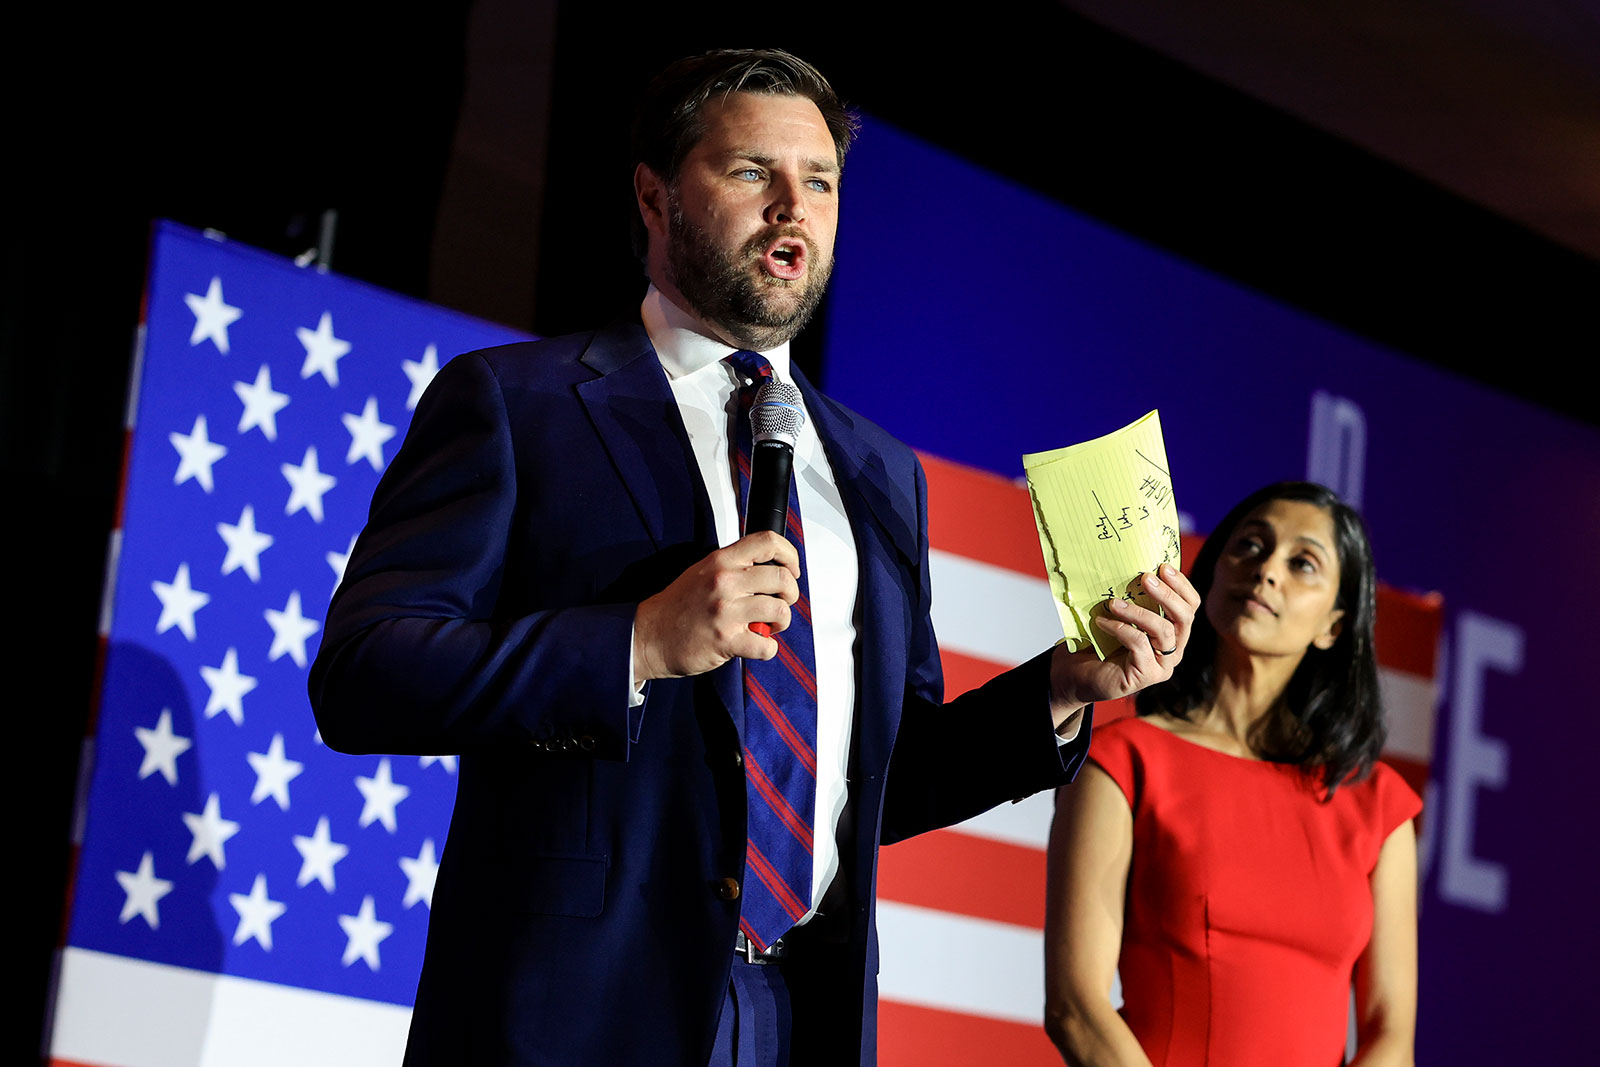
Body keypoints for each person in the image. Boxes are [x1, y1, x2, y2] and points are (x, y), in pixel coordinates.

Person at [310, 48, 1200, 1066]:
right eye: (750, 173)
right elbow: (366, 673)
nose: (793, 207)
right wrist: (638, 641)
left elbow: (883, 779)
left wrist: (1061, 687)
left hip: (792, 1013)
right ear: (654, 196)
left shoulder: (876, 469)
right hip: (574, 1018)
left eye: (818, 181)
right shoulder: (520, 405)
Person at [1043, 482, 1420, 1067]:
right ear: (1210, 576)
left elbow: (1389, 1033)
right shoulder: (1123, 761)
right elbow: (1075, 1005)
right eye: (1249, 546)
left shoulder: (1378, 804)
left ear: (1334, 626)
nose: (1267, 570)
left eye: (1303, 563)